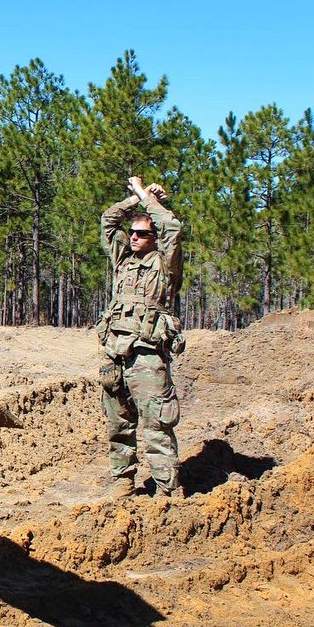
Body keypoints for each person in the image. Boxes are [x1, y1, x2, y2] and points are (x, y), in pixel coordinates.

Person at [96, 175, 185, 498]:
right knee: (118, 422)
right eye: (132, 232)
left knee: (156, 425)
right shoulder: (123, 261)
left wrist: (150, 200)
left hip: (147, 354)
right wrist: (136, 199)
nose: (133, 237)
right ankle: (123, 479)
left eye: (142, 234)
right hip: (115, 352)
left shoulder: (164, 266)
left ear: (154, 238)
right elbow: (108, 220)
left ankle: (167, 488)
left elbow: (173, 228)